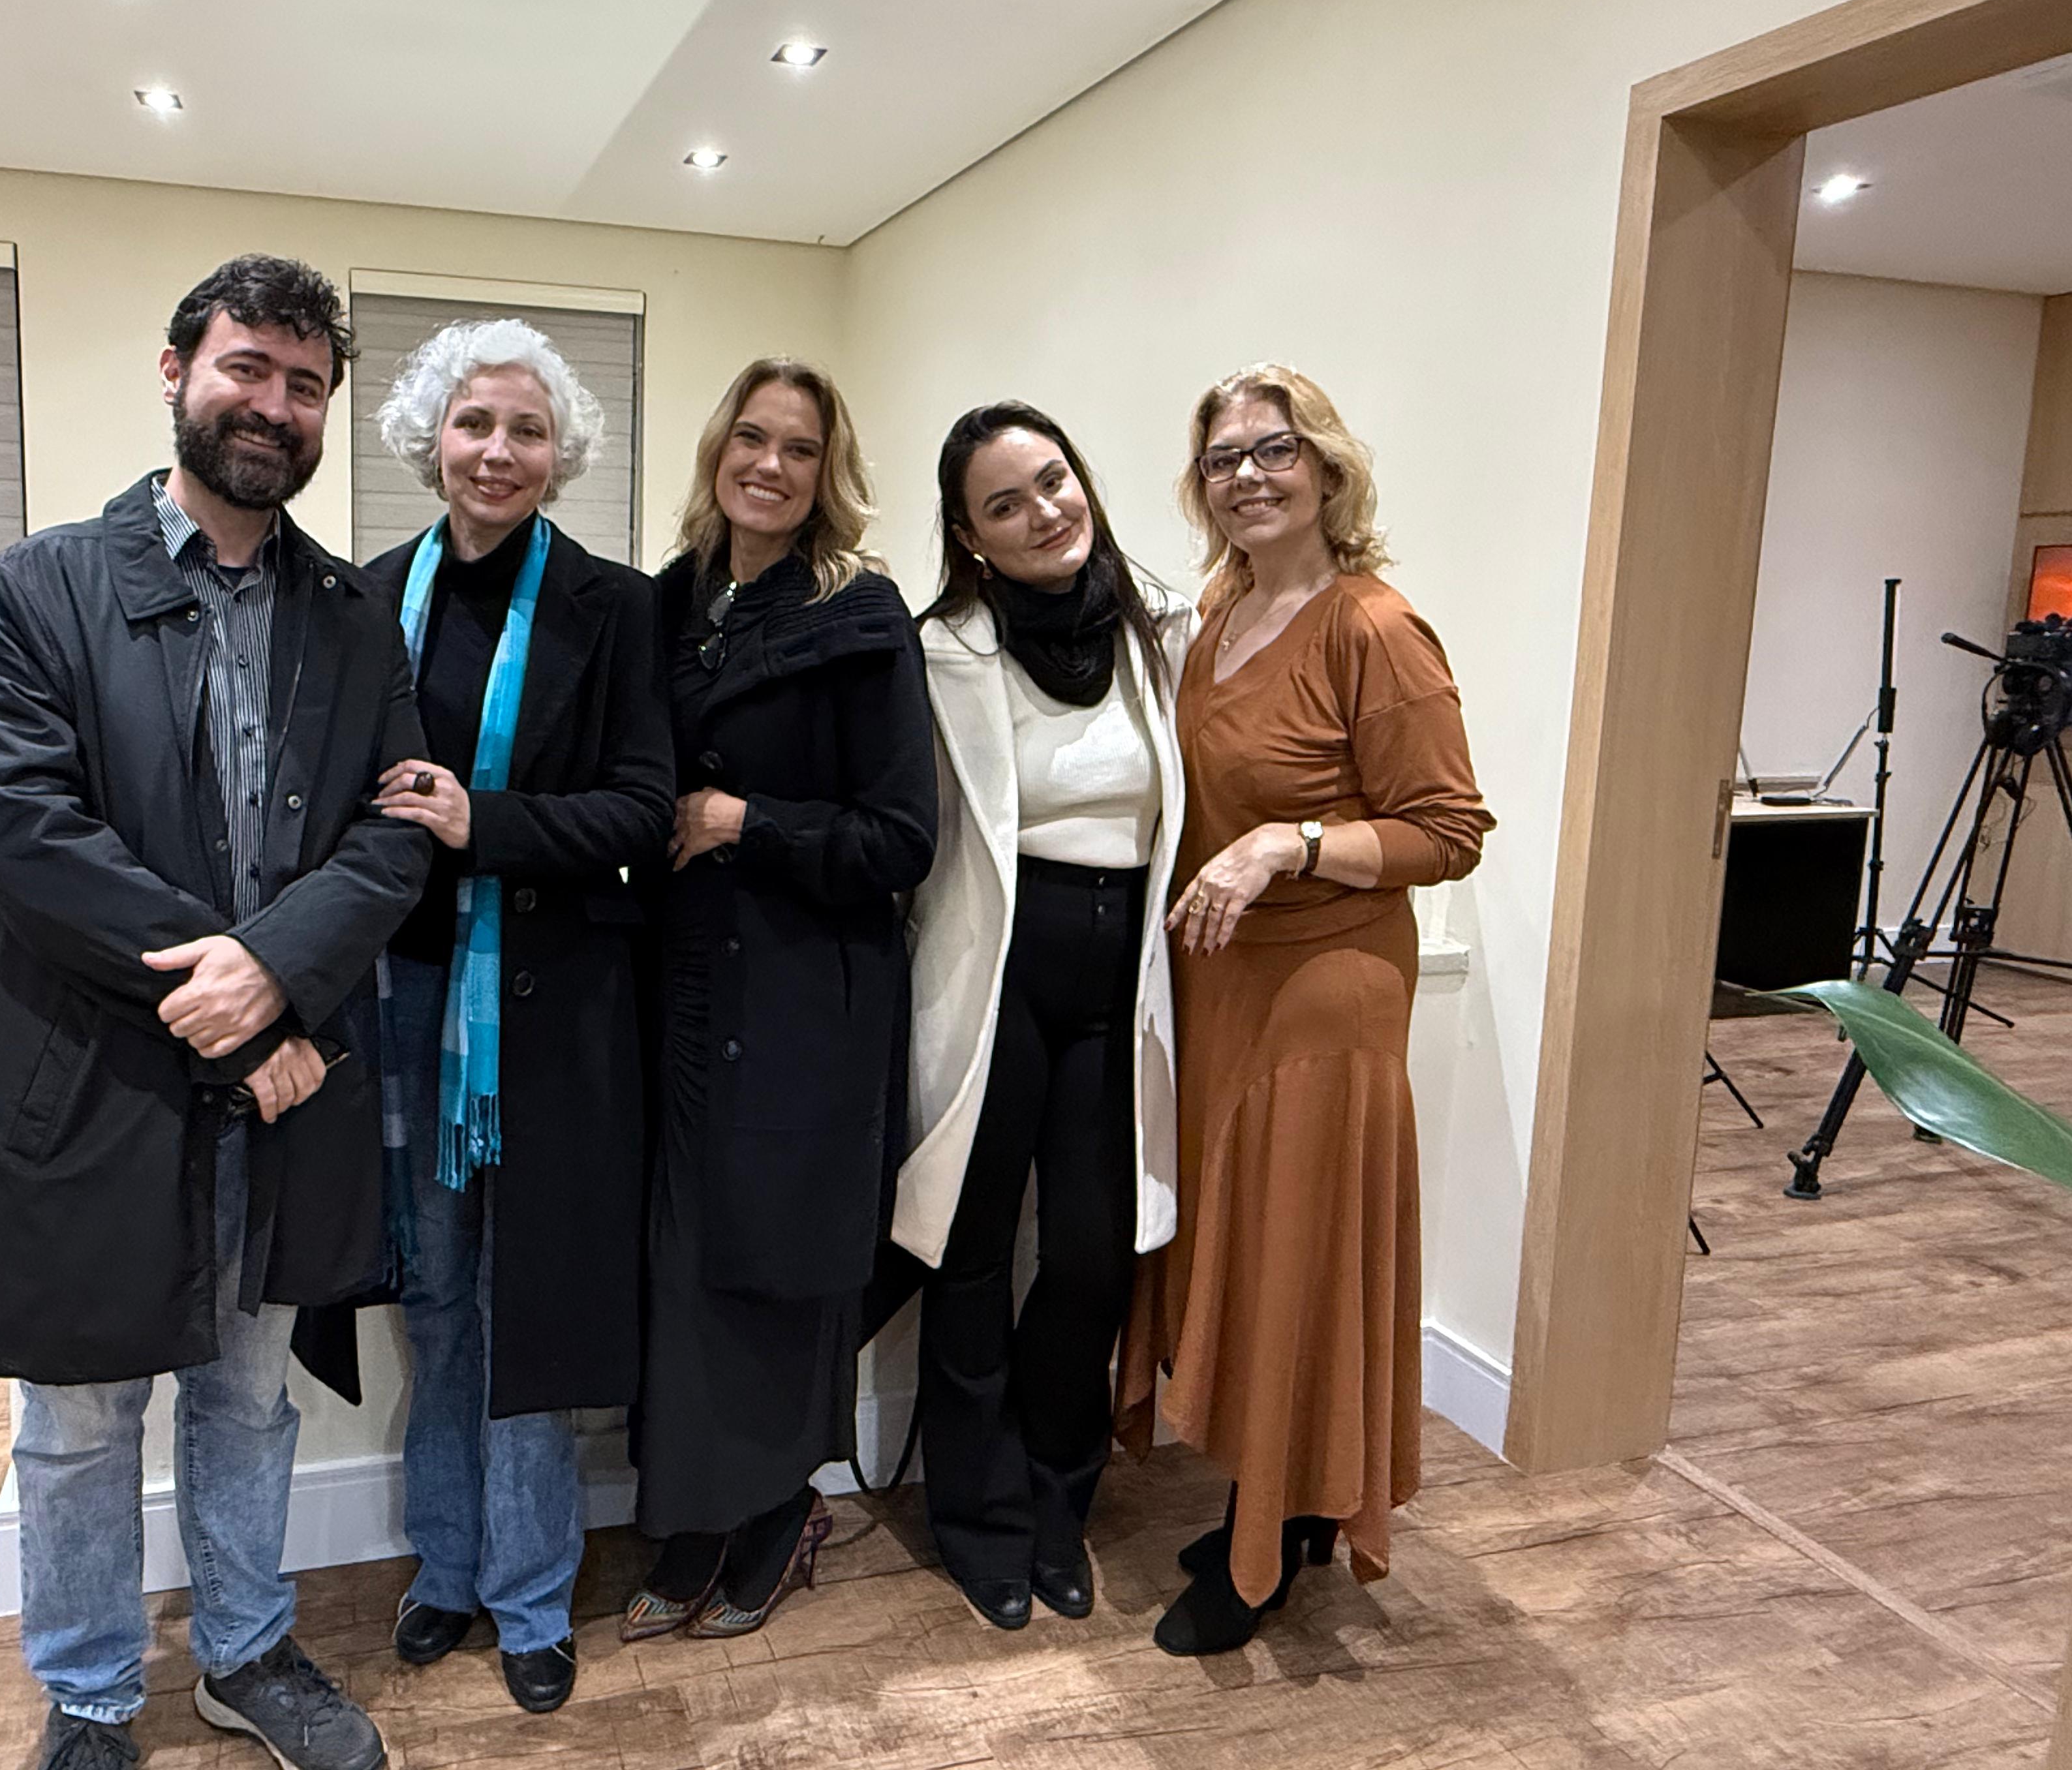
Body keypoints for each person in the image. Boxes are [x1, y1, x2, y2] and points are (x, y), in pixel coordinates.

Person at [0, 254, 427, 1770]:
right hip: (99, 1072)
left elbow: (397, 832)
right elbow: (32, 838)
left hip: (279, 1095)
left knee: (248, 1389)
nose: (274, 406)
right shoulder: (41, 588)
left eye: (305, 385)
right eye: (247, 369)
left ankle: (242, 1652)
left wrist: (275, 976)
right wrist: (245, 1002)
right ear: (177, 373)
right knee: (81, 1418)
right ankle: (93, 1693)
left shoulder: (354, 617)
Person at [1126, 363, 1492, 1656]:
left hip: (1324, 990)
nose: (1248, 475)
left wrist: (1291, 841)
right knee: (1247, 1247)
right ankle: (1295, 1498)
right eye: (1222, 457)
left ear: (1328, 467)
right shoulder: (1219, 610)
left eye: (1274, 449)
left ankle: (1268, 1542)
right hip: (1223, 981)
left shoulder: (1373, 627)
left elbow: (1448, 830)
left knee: (1293, 1255)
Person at [360, 318, 672, 1715]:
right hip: (403, 998)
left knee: (526, 1304)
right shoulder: (369, 596)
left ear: (562, 455)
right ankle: (446, 1565)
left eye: (526, 430)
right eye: (475, 422)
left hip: (550, 1014)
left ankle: (535, 1591)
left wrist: (482, 822)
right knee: (435, 1299)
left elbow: (643, 812)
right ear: (432, 437)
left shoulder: (617, 607)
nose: (498, 451)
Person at [623, 360, 937, 1641]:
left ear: (825, 474)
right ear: (717, 450)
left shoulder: (859, 613)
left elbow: (899, 837)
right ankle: (698, 1512)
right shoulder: (666, 601)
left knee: (781, 1260)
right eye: (750, 438)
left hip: (810, 990)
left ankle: (778, 1507)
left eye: (799, 449)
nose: (768, 464)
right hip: (683, 986)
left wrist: (741, 819)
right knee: (687, 1262)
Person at [896, 402, 1192, 1632]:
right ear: (970, 536)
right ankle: (977, 1516)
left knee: (1089, 1254)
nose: (1042, 514)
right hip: (995, 971)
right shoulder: (939, 651)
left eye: (1053, 481)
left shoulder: (1160, 628)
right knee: (968, 1253)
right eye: (1004, 504)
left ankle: (1057, 1499)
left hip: (1118, 978)